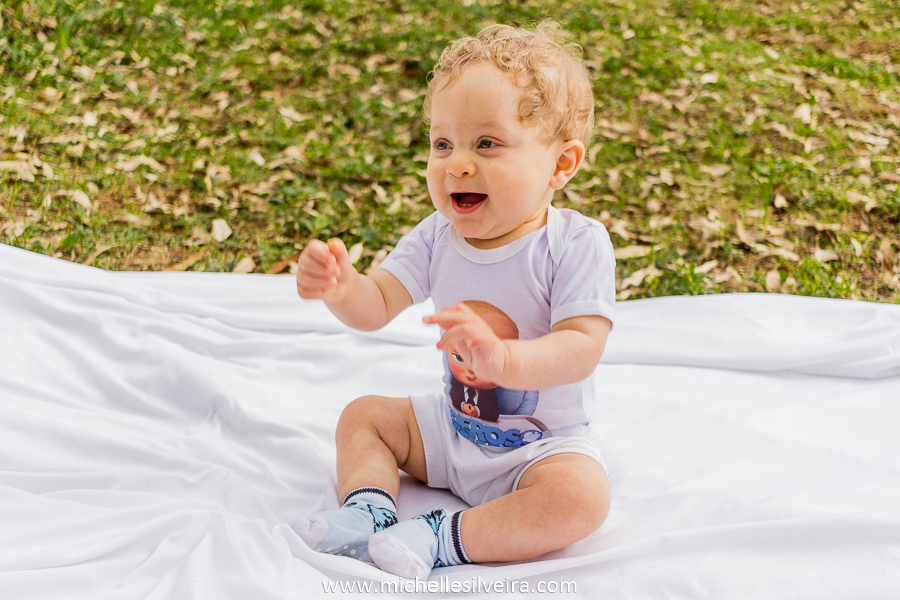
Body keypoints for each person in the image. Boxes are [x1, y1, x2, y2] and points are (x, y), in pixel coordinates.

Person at [292, 21, 617, 580]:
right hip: (451, 428)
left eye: (487, 144)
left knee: (582, 498)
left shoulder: (574, 244)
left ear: (561, 164)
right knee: (364, 416)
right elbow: (378, 302)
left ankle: (443, 537)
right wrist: (342, 289)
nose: (457, 164)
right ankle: (368, 510)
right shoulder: (437, 235)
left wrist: (505, 359)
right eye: (443, 144)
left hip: (539, 450)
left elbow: (582, 346)